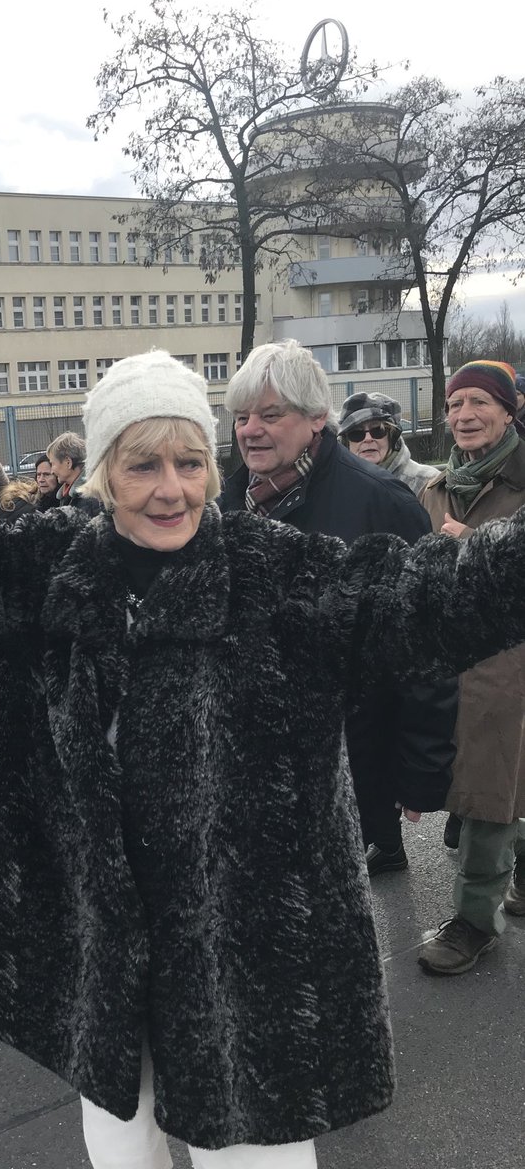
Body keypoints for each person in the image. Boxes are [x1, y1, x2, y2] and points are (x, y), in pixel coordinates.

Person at [0, 348, 525, 1166]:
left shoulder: (284, 577)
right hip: (100, 939)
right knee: (122, 1140)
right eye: (143, 464)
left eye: (190, 463)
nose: (171, 489)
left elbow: (433, 593)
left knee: (257, 1154)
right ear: (103, 474)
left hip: (245, 948)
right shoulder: (40, 569)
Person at [219, 342, 457, 878]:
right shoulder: (227, 506)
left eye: (270, 415)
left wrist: (422, 767)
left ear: (317, 418)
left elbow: (426, 646)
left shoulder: (384, 503)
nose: (249, 429)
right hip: (249, 760)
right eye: (241, 417)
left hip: (347, 758)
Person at [417, 359, 525, 975]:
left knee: (490, 785)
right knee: (500, 779)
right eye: (455, 405)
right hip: (448, 662)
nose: (464, 416)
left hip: (507, 663)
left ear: (508, 411)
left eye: (480, 402)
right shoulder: (435, 488)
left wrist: (472, 547)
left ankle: (474, 921)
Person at [337, 391, 440, 496]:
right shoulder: (335, 487)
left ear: (392, 436)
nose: (368, 438)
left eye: (377, 430)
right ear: (346, 443)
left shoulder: (428, 483)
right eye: (356, 433)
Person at [46, 431, 100, 513]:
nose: (52, 471)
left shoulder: (90, 499)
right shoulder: (70, 496)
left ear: (68, 462)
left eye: (53, 464)